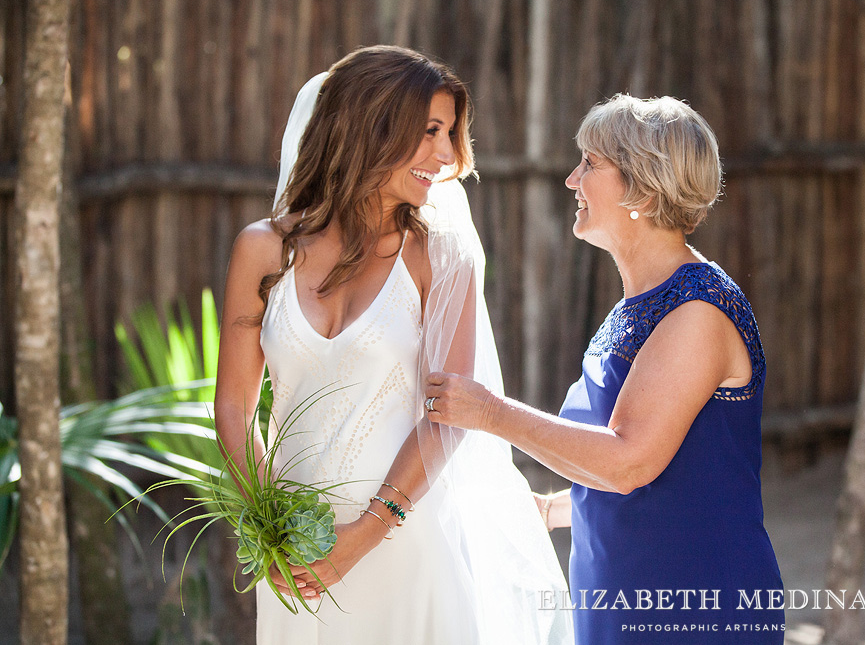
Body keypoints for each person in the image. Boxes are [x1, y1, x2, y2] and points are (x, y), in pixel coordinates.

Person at [215, 45, 571, 645]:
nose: (448, 154)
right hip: (296, 558)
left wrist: (369, 529)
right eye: (431, 131)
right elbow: (234, 407)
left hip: (409, 536)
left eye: (452, 132)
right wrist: (270, 523)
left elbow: (448, 416)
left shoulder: (441, 257)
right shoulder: (261, 250)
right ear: (369, 126)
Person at [426, 94, 785, 644]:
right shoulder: (637, 307)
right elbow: (674, 473)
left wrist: (490, 413)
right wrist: (549, 510)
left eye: (590, 164)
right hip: (619, 595)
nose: (572, 180)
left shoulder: (698, 310)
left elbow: (628, 462)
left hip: (693, 604)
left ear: (641, 186)